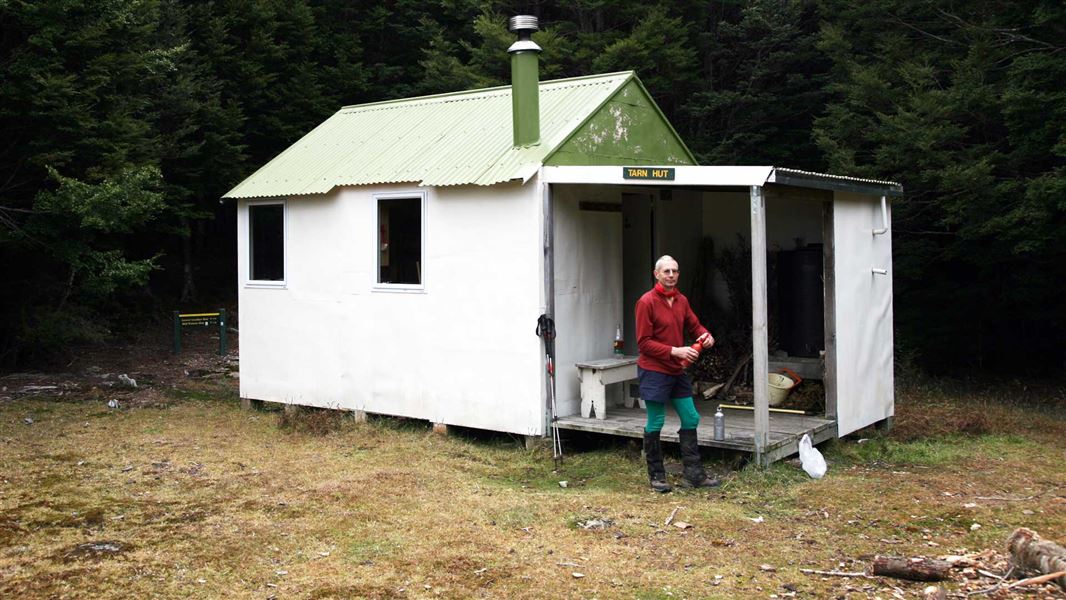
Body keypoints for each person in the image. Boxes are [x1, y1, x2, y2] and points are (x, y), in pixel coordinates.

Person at [635, 255, 719, 492]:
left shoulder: (681, 300)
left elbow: (695, 326)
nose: (671, 275)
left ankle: (694, 475)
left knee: (691, 417)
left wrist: (705, 336)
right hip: (653, 370)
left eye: (675, 271)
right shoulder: (646, 302)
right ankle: (657, 476)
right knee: (656, 420)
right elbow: (644, 344)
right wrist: (676, 350)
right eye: (666, 271)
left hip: (676, 370)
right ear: (656, 274)